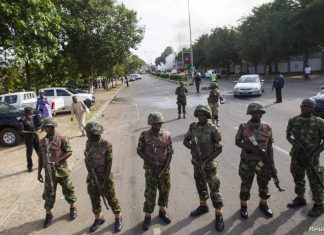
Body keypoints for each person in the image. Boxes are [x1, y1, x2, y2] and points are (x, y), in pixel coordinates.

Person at [183, 105, 224, 232]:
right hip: (196, 163)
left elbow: (219, 148)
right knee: (200, 186)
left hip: (209, 165)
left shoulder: (213, 129)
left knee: (214, 189)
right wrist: (192, 147)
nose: (201, 117)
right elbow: (185, 141)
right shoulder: (193, 127)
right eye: (199, 115)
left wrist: (206, 160)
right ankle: (203, 206)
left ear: (207, 116)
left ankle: (219, 214)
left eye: (203, 115)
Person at [235, 102, 276, 219]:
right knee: (245, 185)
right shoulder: (243, 127)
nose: (257, 114)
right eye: (254, 112)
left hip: (263, 162)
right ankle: (243, 206)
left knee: (264, 184)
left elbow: (269, 147)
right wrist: (251, 148)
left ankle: (263, 204)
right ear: (250, 113)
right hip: (247, 162)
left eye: (260, 112)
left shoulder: (267, 127)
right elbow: (237, 142)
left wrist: (272, 165)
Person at [286, 98, 324, 217]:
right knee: (297, 176)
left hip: (312, 158)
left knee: (315, 181)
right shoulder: (293, 120)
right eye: (305, 106)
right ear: (301, 107)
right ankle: (300, 197)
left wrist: (314, 154)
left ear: (313, 108)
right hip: (297, 156)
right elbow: (288, 136)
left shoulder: (319, 122)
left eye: (310, 106)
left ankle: (319, 204)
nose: (306, 108)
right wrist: (295, 145)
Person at [37, 118, 77, 228]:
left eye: (48, 126)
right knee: (49, 194)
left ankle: (73, 208)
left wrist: (57, 161)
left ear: (53, 126)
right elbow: (41, 158)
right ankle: (48, 215)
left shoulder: (61, 139)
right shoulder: (41, 142)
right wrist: (39, 172)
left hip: (62, 171)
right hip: (49, 174)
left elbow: (69, 152)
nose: (46, 129)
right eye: (45, 127)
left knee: (68, 190)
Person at [137, 112, 173, 231]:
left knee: (164, 192)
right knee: (150, 193)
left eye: (160, 123)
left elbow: (170, 153)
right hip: (151, 171)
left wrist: (164, 169)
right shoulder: (144, 135)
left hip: (164, 171)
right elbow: (139, 150)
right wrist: (150, 162)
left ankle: (162, 212)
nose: (158, 125)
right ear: (151, 123)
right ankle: (147, 217)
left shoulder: (167, 135)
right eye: (155, 124)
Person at [84, 122, 123, 233]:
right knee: (94, 198)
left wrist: (104, 182)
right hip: (92, 177)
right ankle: (99, 218)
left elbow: (109, 163)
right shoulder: (88, 143)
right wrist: (92, 176)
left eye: (88, 132)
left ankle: (118, 217)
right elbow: (87, 160)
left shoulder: (106, 144)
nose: (86, 134)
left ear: (95, 133)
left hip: (105, 176)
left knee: (111, 198)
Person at [18, 107, 40, 172]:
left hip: (35, 137)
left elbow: (33, 127)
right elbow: (21, 131)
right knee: (29, 154)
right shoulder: (22, 120)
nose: (32, 112)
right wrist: (31, 132)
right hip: (29, 139)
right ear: (28, 112)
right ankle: (30, 167)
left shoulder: (31, 117)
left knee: (40, 152)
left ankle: (43, 163)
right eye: (31, 111)